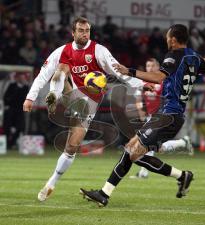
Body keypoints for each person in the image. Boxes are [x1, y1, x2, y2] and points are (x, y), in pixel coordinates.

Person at [80, 24, 205, 206]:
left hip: (169, 114)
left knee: (134, 153)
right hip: (169, 114)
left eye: (168, 37)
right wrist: (202, 59)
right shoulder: (194, 58)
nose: (166, 39)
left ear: (174, 39)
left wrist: (129, 71)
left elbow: (159, 77)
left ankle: (182, 175)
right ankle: (104, 193)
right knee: (131, 149)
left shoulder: (173, 55)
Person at [23, 16, 143, 202]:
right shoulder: (63, 51)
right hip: (72, 93)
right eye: (81, 30)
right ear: (73, 33)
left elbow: (118, 71)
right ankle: (54, 95)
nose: (85, 33)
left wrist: (141, 84)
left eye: (87, 30)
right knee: (60, 69)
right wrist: (30, 97)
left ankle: (51, 183)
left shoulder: (99, 51)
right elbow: (42, 75)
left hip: (89, 104)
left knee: (72, 146)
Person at [131, 58, 193, 179]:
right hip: (150, 117)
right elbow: (138, 99)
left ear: (158, 67)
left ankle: (143, 173)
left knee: (147, 144)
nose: (150, 68)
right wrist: (141, 114)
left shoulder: (163, 81)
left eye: (152, 65)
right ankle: (183, 142)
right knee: (157, 147)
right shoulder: (143, 82)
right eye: (148, 65)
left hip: (162, 116)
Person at [4, 73, 29, 148]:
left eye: (23, 77)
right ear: (17, 78)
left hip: (20, 110)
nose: (21, 79)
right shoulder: (12, 86)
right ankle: (7, 143)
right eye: (20, 77)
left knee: (20, 127)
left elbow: (24, 99)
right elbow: (6, 98)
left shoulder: (25, 87)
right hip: (11, 109)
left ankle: (12, 142)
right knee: (7, 126)